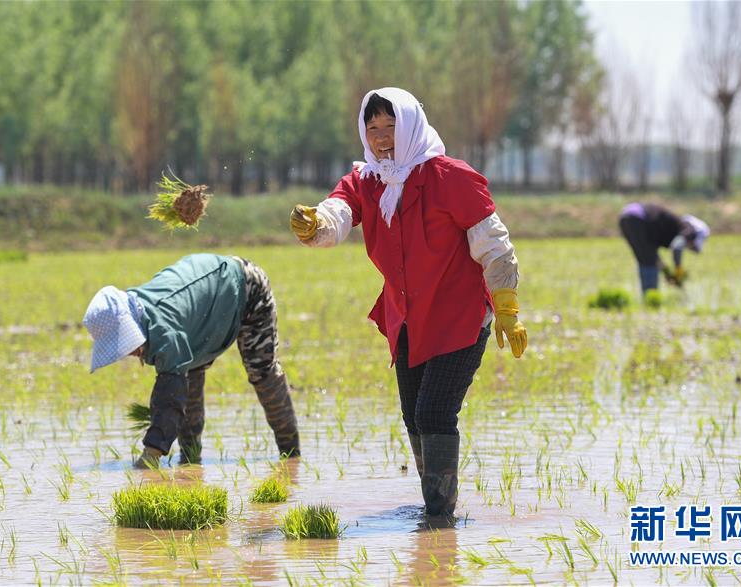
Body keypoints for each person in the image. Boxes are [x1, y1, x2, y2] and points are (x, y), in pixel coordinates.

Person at [289, 88, 527, 521]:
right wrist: (315, 222)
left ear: (411, 124)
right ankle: (435, 509)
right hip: (408, 321)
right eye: (372, 127)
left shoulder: (450, 177)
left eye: (390, 125)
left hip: (459, 317)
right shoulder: (368, 181)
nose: (382, 137)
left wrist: (507, 309)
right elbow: (337, 213)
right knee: (413, 415)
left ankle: (440, 517)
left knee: (434, 411)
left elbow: (494, 246)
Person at [82, 253, 300, 468]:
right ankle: (190, 461)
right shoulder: (142, 312)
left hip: (244, 287)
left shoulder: (164, 331)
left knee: (261, 371)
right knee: (188, 372)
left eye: (124, 343)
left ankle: (291, 454)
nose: (126, 353)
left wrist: (150, 456)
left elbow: (170, 398)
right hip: (206, 300)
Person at [618, 202, 710, 295]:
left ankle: (648, 297)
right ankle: (651, 299)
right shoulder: (689, 231)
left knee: (645, 259)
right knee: (648, 262)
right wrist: (678, 269)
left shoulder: (672, 228)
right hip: (637, 218)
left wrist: (667, 274)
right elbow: (677, 248)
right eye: (693, 246)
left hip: (626, 216)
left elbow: (654, 256)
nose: (690, 248)